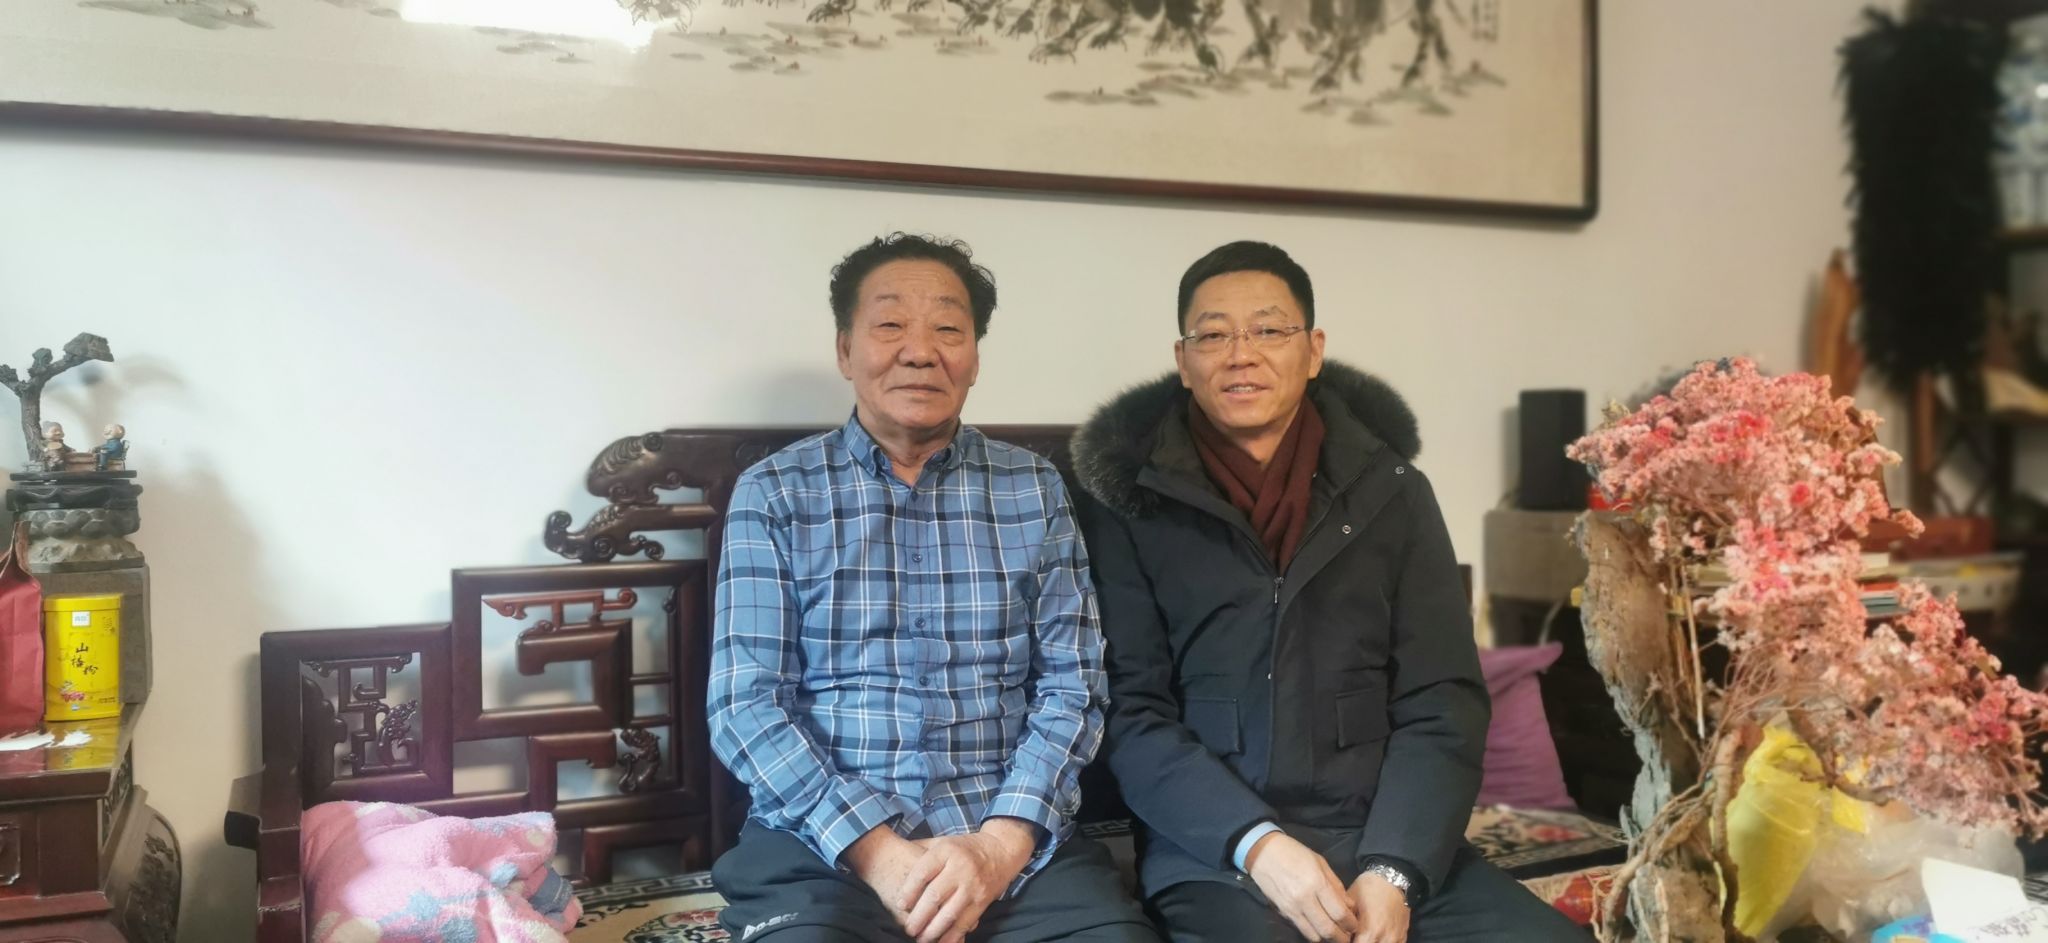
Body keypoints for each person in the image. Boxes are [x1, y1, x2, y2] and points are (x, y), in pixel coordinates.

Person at [1071, 241, 1587, 943]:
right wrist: (1257, 844)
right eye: (1213, 335)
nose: (1241, 354)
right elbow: (1131, 712)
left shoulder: (1393, 492)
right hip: (1216, 854)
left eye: (1268, 329)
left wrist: (1395, 868)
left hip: (1381, 833)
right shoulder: (1129, 505)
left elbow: (1442, 700)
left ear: (1313, 351)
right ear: (1183, 361)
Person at [708, 233, 1157, 943]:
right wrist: (881, 855)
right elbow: (745, 704)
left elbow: (1074, 685)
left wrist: (998, 847)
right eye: (890, 324)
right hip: (822, 844)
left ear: (974, 357)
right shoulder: (776, 492)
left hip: (1009, 838)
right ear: (845, 350)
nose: (920, 351)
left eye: (948, 329)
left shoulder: (1034, 487)